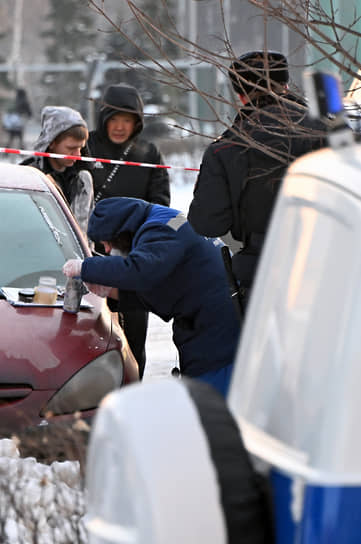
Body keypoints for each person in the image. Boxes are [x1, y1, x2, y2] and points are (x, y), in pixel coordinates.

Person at [188, 50, 327, 308]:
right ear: (285, 85)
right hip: (331, 265)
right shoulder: (328, 132)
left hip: (264, 274)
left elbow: (207, 223)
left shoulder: (225, 148)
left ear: (240, 96)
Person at [62, 197, 240, 397]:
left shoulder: (162, 229)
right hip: (213, 325)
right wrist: (114, 292)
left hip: (218, 335)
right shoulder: (165, 221)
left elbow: (140, 270)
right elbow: (161, 289)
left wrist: (85, 267)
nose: (108, 251)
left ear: (122, 231)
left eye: (107, 244)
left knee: (213, 406)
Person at [86, 83, 171, 379]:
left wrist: (136, 237)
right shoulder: (88, 147)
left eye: (128, 120)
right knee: (91, 332)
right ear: (104, 118)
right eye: (114, 119)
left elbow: (161, 204)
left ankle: (133, 391)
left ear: (137, 123)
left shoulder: (148, 153)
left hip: (133, 258)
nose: (120, 127)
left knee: (134, 334)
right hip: (91, 253)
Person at [20, 106, 93, 234]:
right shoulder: (30, 176)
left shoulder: (83, 179)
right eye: (71, 148)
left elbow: (88, 227)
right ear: (51, 143)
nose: (77, 155)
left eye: (80, 148)